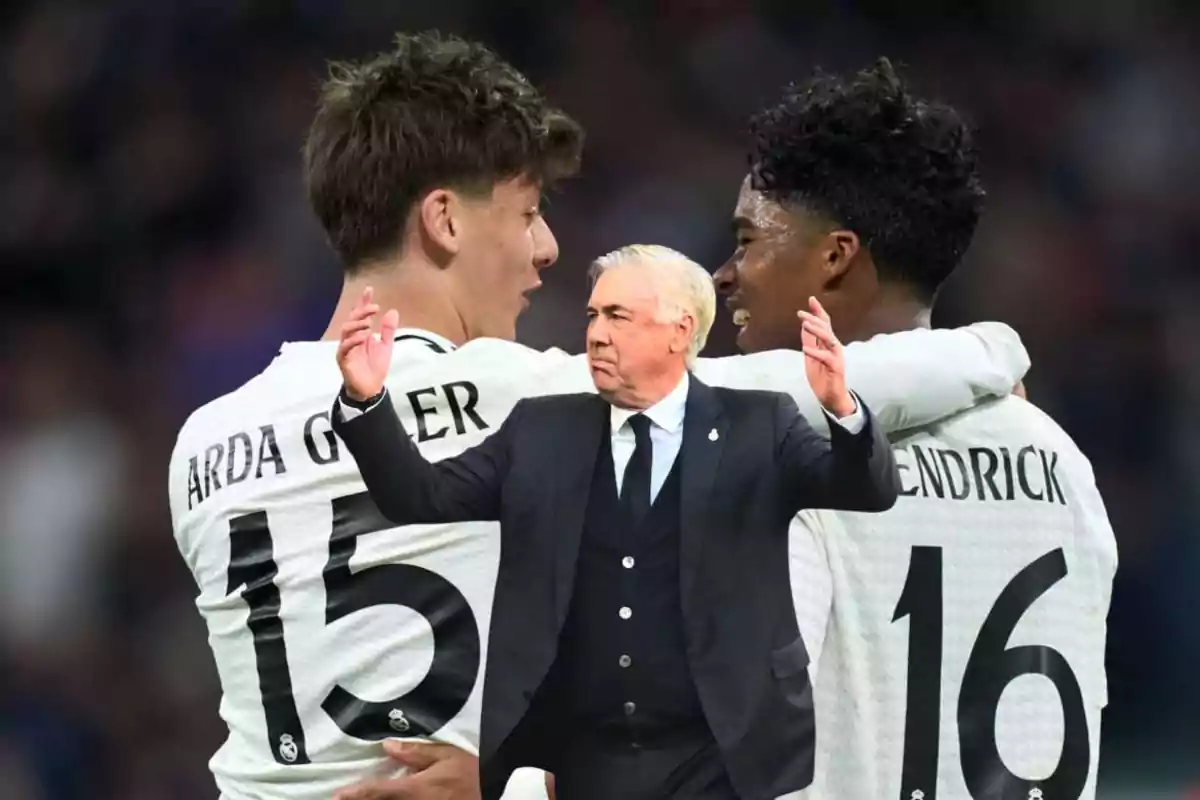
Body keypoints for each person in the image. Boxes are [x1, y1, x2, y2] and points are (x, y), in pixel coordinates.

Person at [167, 29, 1030, 800]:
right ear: (443, 220)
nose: (545, 249)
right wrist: (990, 353)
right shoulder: (527, 400)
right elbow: (809, 393)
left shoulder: (202, 449)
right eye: (528, 212)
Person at [330, 243, 903, 800]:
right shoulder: (541, 431)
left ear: (680, 330)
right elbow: (422, 497)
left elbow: (865, 490)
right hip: (585, 762)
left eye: (617, 316)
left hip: (721, 755)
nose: (596, 333)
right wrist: (367, 401)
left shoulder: (760, 425)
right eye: (593, 315)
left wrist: (841, 408)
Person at [713, 58, 1118, 799]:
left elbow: (734, 746)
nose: (724, 274)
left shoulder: (791, 458)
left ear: (835, 259)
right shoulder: (1061, 460)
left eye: (746, 240)